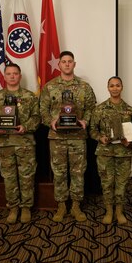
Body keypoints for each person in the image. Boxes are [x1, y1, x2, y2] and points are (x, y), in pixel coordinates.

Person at [40, 50, 96, 222]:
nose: (66, 64)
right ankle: (62, 205)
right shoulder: (50, 87)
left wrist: (85, 120)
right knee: (59, 172)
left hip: (78, 136)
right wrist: (51, 121)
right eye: (63, 61)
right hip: (57, 137)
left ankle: (76, 205)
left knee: (78, 172)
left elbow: (91, 108)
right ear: (59, 65)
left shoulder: (84, 87)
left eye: (69, 61)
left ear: (74, 64)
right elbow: (42, 110)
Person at [0, 63, 40, 224]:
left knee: (26, 177)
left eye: (15, 73)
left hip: (25, 143)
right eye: (9, 73)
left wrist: (26, 126)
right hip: (5, 144)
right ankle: (13, 207)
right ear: (4, 76)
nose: (12, 76)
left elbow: (37, 118)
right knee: (9, 177)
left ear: (20, 76)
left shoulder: (29, 96)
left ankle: (25, 207)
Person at [90, 76, 132, 225]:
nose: (115, 88)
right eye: (112, 86)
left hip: (123, 153)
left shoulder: (130, 111)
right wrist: (100, 137)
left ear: (122, 87)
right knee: (107, 183)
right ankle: (109, 211)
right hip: (105, 152)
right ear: (108, 88)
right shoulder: (100, 109)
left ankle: (119, 211)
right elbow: (92, 130)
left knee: (122, 183)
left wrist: (130, 142)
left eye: (117, 85)